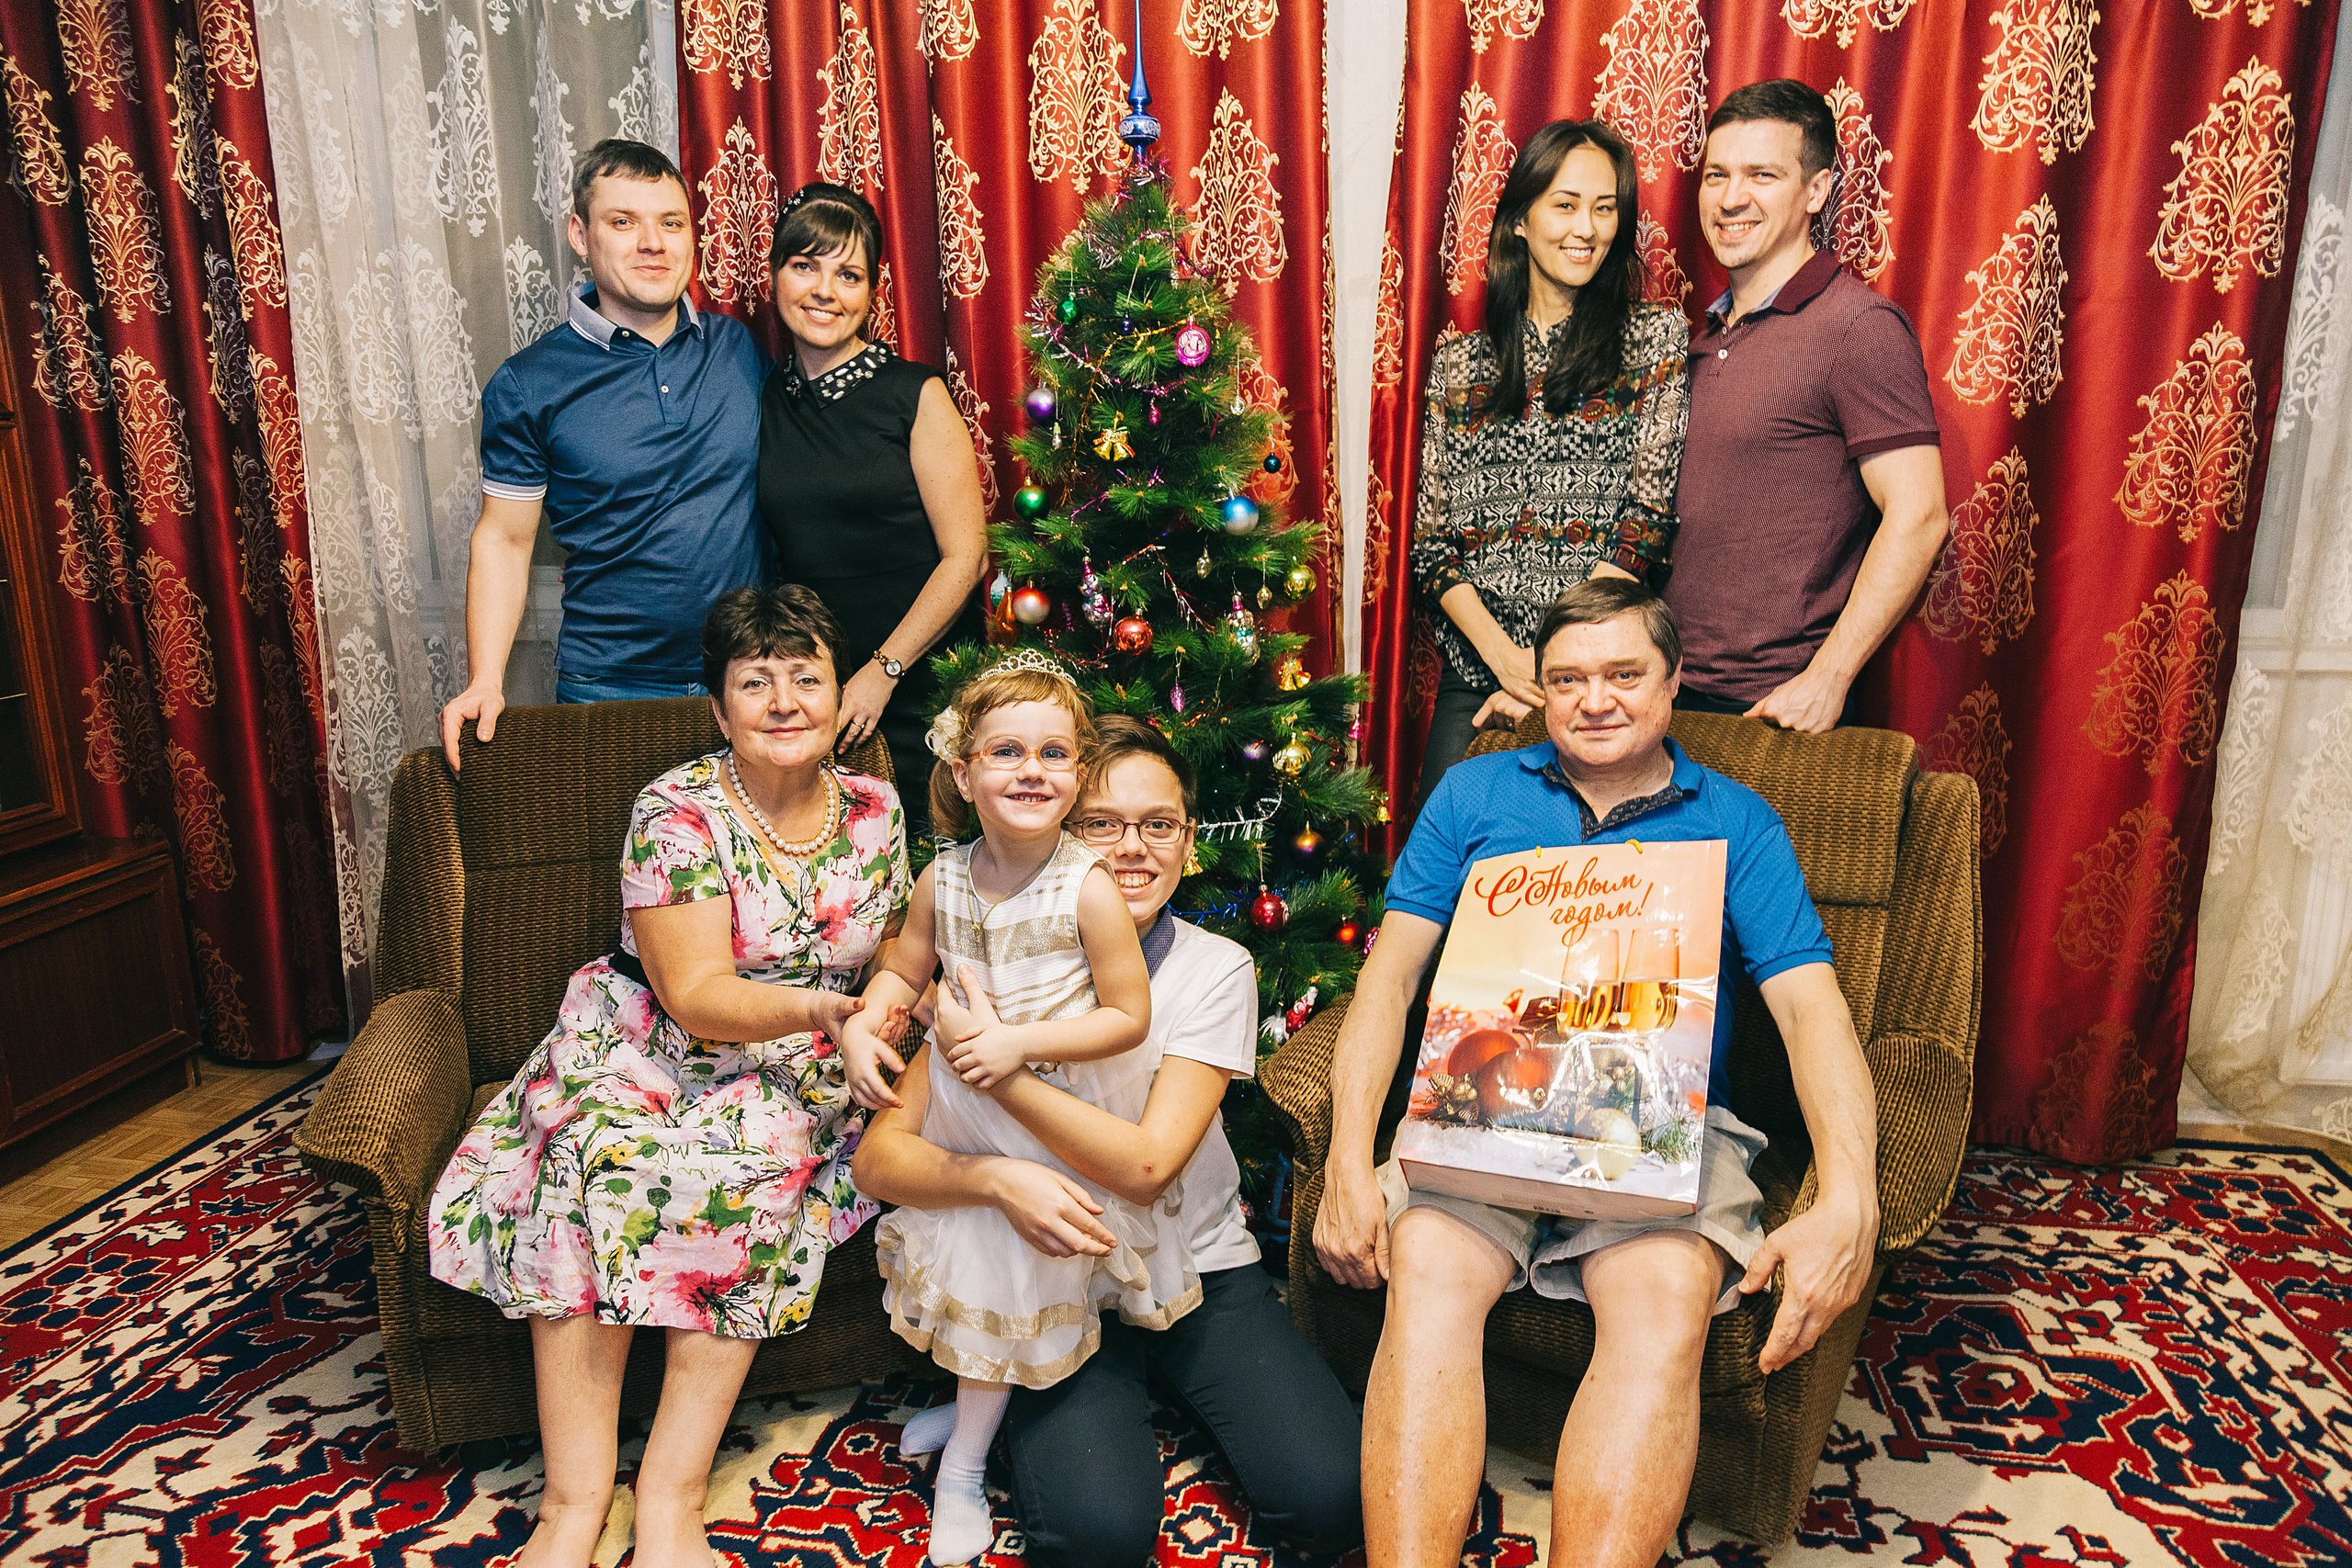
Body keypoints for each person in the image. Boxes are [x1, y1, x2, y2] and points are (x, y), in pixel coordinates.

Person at [1315, 578, 1881, 1568]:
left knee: (1664, 1299)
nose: (1595, 699)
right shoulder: (1475, 793)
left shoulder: (1737, 821)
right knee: (1430, 1274)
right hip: (1482, 1109)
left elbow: (1809, 1009)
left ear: (1672, 685)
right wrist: (1345, 1166)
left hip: (1664, 1122)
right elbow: (1389, 978)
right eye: (1567, 678)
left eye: (1623, 674)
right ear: (1540, 690)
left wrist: (1852, 1196)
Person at [424, 586, 905, 1568]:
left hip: (806, 1063)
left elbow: (899, 942)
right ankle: (572, 1500)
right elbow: (694, 994)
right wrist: (831, 1010)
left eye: (805, 677)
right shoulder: (675, 808)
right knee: (591, 1162)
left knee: (744, 1167)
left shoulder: (877, 806)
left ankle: (671, 1498)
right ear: (719, 710)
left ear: (835, 693)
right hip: (653, 1036)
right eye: (755, 682)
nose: (784, 701)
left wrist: (881, 1011)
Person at [853, 716, 1364, 1568]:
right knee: (1096, 1540)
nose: (1131, 848)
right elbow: (879, 1159)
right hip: (1052, 1283)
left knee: (1333, 1501)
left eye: (1157, 824)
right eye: (1101, 824)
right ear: (1054, 829)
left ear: (1189, 840)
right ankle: (1008, 1394)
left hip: (1195, 1266)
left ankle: (1043, 1391)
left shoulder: (1213, 968)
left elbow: (1146, 1164)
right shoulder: (991, 956)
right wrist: (1000, 1181)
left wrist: (999, 1062)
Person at [838, 654, 1176, 1567]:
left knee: (1005, 1268)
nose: (1032, 770)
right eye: (1007, 752)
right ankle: (969, 1396)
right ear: (963, 772)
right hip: (957, 1104)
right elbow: (906, 969)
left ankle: (964, 1467)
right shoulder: (941, 878)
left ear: (1075, 776)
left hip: (1046, 1109)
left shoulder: (1088, 887)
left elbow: (1127, 1014)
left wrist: (1020, 1047)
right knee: (974, 1260)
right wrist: (866, 1024)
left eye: (1054, 753)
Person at [440, 140, 772, 769]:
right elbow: (506, 540)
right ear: (580, 235)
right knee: (621, 870)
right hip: (610, 687)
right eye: (623, 222)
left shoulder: (739, 348)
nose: (653, 243)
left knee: (753, 867)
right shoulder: (527, 383)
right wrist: (486, 679)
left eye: (671, 223)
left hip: (754, 676)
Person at [1412, 118, 1689, 805]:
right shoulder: (1458, 364)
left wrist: (1550, 669)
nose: (1586, 228)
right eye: (1565, 205)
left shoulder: (1653, 340)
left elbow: (1644, 525)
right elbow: (1432, 547)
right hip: (1478, 667)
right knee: (1440, 881)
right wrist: (1506, 660)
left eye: (1604, 208)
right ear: (1519, 221)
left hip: (1597, 675)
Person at [1666, 80, 1949, 732]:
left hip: (1771, 710)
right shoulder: (1696, 336)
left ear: (1815, 192)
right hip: (1666, 695)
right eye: (1717, 175)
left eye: (1762, 175)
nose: (1732, 198)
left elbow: (1921, 514)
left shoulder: (1859, 327)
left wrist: (1829, 676)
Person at [758, 182, 989, 837]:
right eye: (805, 266)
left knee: (933, 877)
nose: (825, 290)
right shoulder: (766, 396)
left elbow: (966, 557)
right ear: (776, 276)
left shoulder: (913, 395)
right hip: (815, 694)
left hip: (920, 685)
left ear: (872, 293)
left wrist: (883, 670)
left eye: (848, 274)